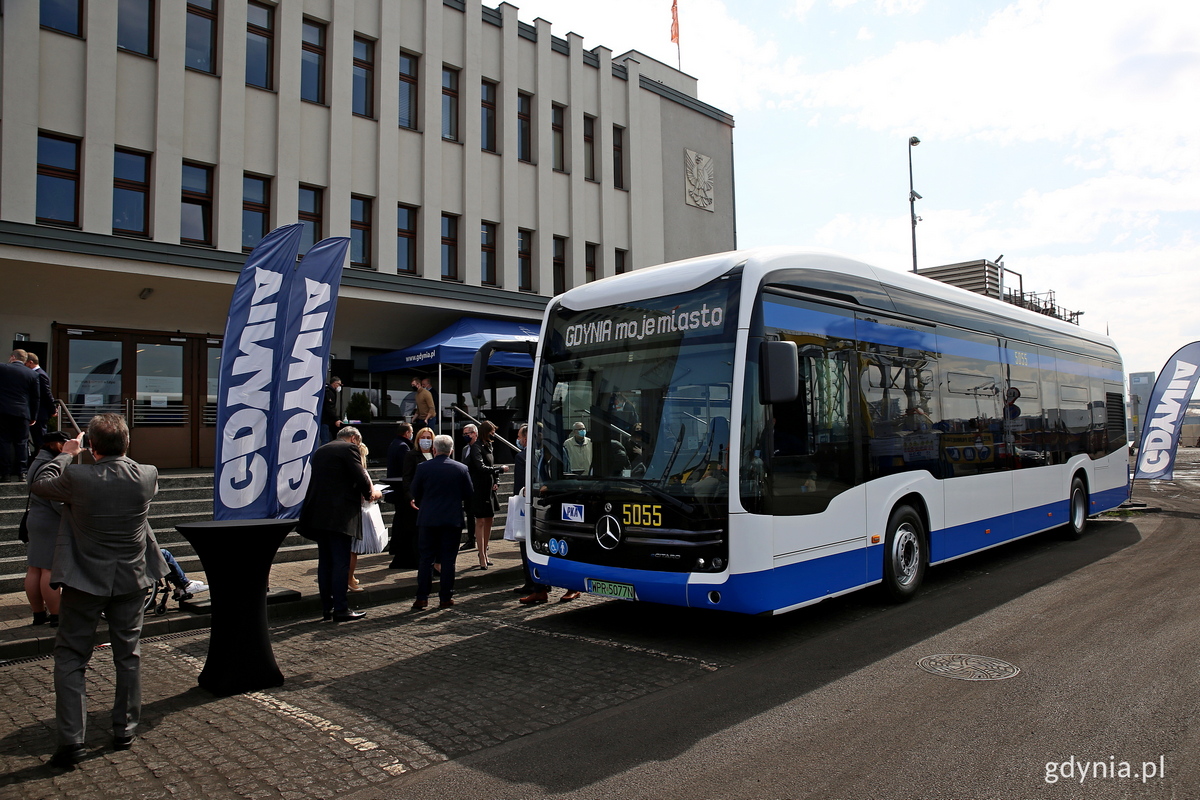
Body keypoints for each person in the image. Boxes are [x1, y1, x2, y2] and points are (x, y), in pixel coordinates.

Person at [31, 413, 168, 768]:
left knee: (72, 657)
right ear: (127, 445)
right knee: (128, 654)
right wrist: (116, 449)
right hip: (131, 578)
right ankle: (125, 729)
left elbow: (39, 482)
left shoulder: (75, 476)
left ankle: (72, 740)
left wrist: (67, 452)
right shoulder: (147, 475)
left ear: (91, 447)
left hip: (84, 580)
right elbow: (127, 465)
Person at [297, 426, 381, 622]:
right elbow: (360, 477)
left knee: (325, 562)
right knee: (340, 562)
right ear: (353, 439)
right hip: (339, 516)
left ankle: (327, 608)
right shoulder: (348, 449)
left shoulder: (321, 450)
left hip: (318, 515)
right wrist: (373, 494)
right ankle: (341, 609)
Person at [408, 434, 474, 609]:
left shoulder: (423, 468)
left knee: (425, 559)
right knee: (448, 560)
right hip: (452, 519)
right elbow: (469, 493)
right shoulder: (461, 469)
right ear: (451, 450)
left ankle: (422, 597)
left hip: (428, 518)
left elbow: (415, 490)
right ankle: (446, 597)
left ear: (434, 449)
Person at [24, 430, 71, 627]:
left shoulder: (37, 461)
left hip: (35, 518)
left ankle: (38, 614)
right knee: (49, 570)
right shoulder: (52, 465)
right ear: (58, 445)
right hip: (50, 520)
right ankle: (56, 615)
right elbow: (55, 500)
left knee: (34, 568)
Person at [463, 421, 506, 570]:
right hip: (479, 488)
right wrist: (499, 470)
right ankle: (481, 554)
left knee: (490, 519)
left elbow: (491, 464)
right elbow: (480, 467)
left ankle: (485, 550)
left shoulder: (489, 446)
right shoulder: (476, 447)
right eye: (491, 432)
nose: (493, 434)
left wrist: (497, 480)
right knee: (480, 520)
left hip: (489, 487)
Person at [1, 348, 39, 482]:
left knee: (4, 441)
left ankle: (5, 474)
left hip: (3, 411)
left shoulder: (3, 368)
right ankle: (22, 472)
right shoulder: (32, 374)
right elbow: (35, 398)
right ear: (24, 360)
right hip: (22, 412)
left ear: (12, 357)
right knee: (22, 442)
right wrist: (33, 416)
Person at [386, 422, 418, 569]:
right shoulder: (403, 447)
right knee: (402, 518)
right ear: (407, 433)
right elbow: (406, 468)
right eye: (411, 432)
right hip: (401, 489)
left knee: (399, 517)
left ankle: (395, 546)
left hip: (397, 487)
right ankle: (398, 546)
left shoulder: (394, 443)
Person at [24, 352, 57, 455]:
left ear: (30, 362)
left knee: (40, 440)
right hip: (36, 413)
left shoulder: (40, 375)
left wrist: (52, 410)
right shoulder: (37, 374)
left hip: (40, 413)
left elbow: (47, 394)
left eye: (25, 364)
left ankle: (42, 461)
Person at [320, 376, 343, 444]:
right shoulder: (329, 392)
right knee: (325, 440)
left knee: (328, 439)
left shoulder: (330, 391)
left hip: (328, 420)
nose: (340, 386)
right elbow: (329, 407)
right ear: (335, 383)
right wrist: (336, 419)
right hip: (325, 420)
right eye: (339, 384)